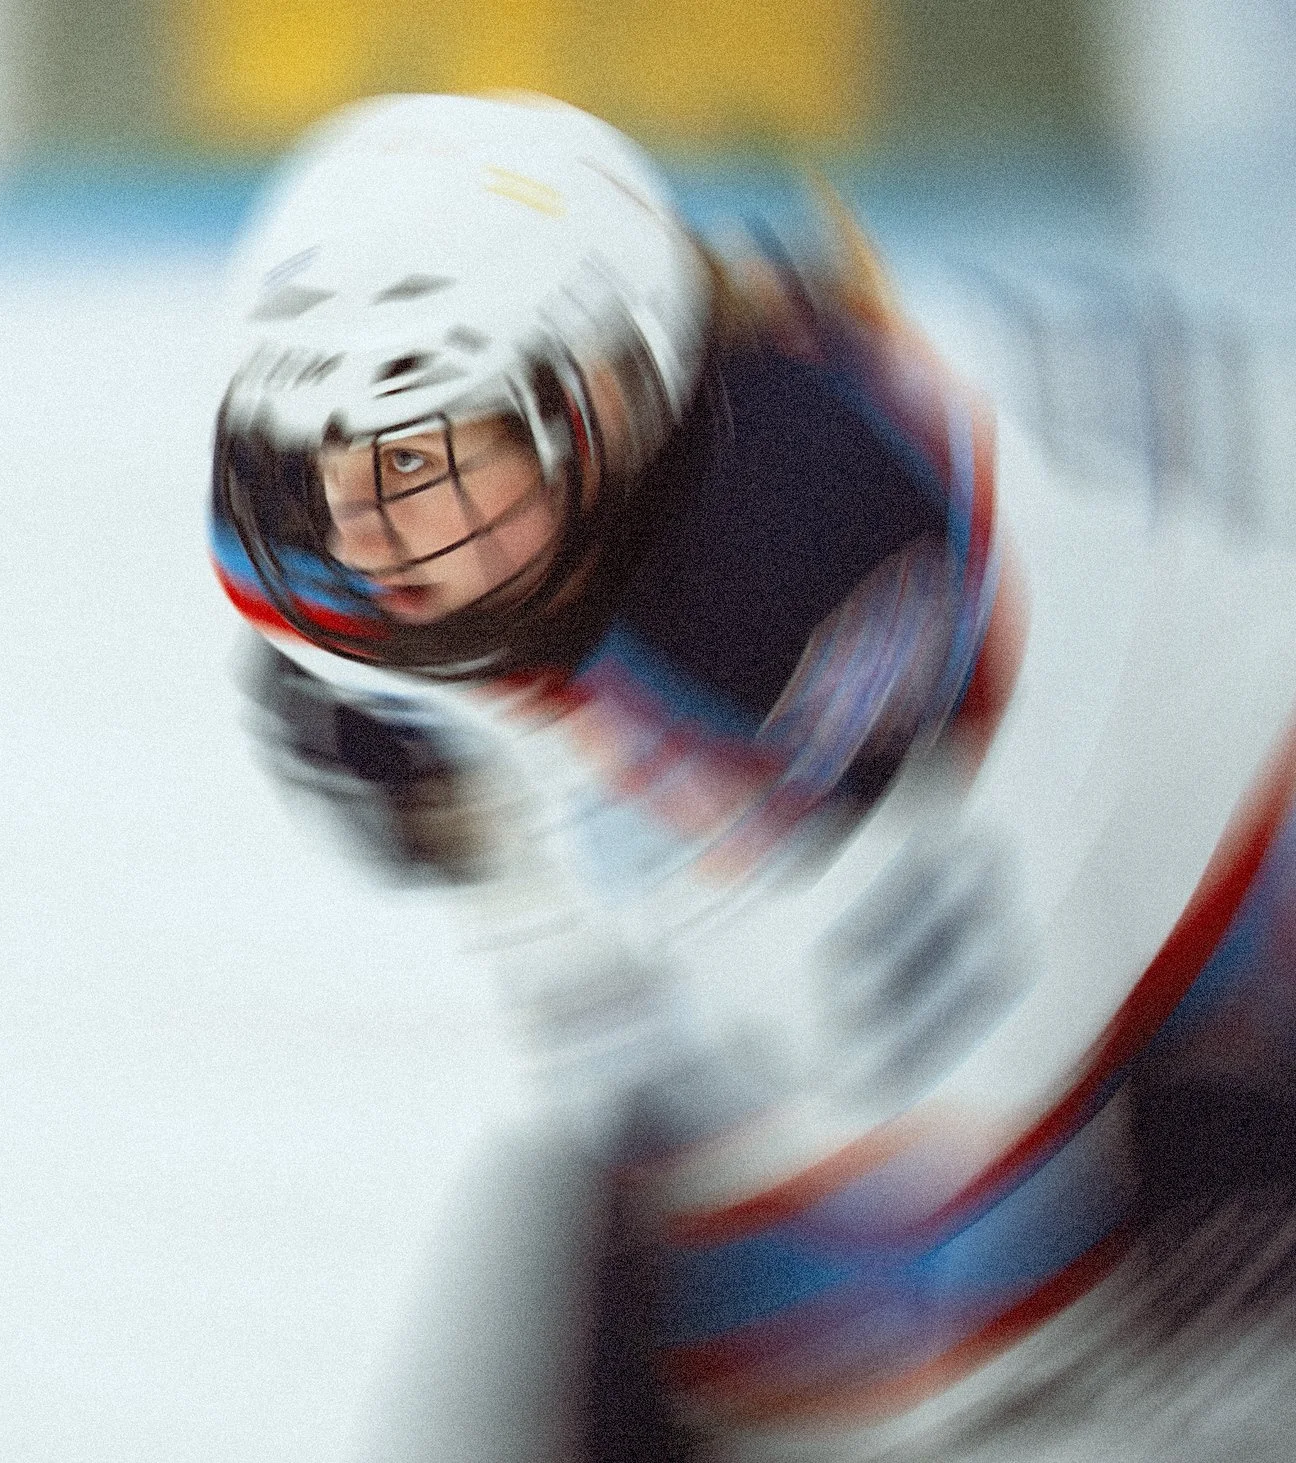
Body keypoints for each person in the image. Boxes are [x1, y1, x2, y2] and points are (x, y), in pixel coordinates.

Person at [207, 92, 1296, 1461]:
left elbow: (915, 1237)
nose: (364, 536)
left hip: (1172, 964)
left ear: (606, 398)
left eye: (420, 451)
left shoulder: (806, 605)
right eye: (325, 453)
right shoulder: (659, 478)